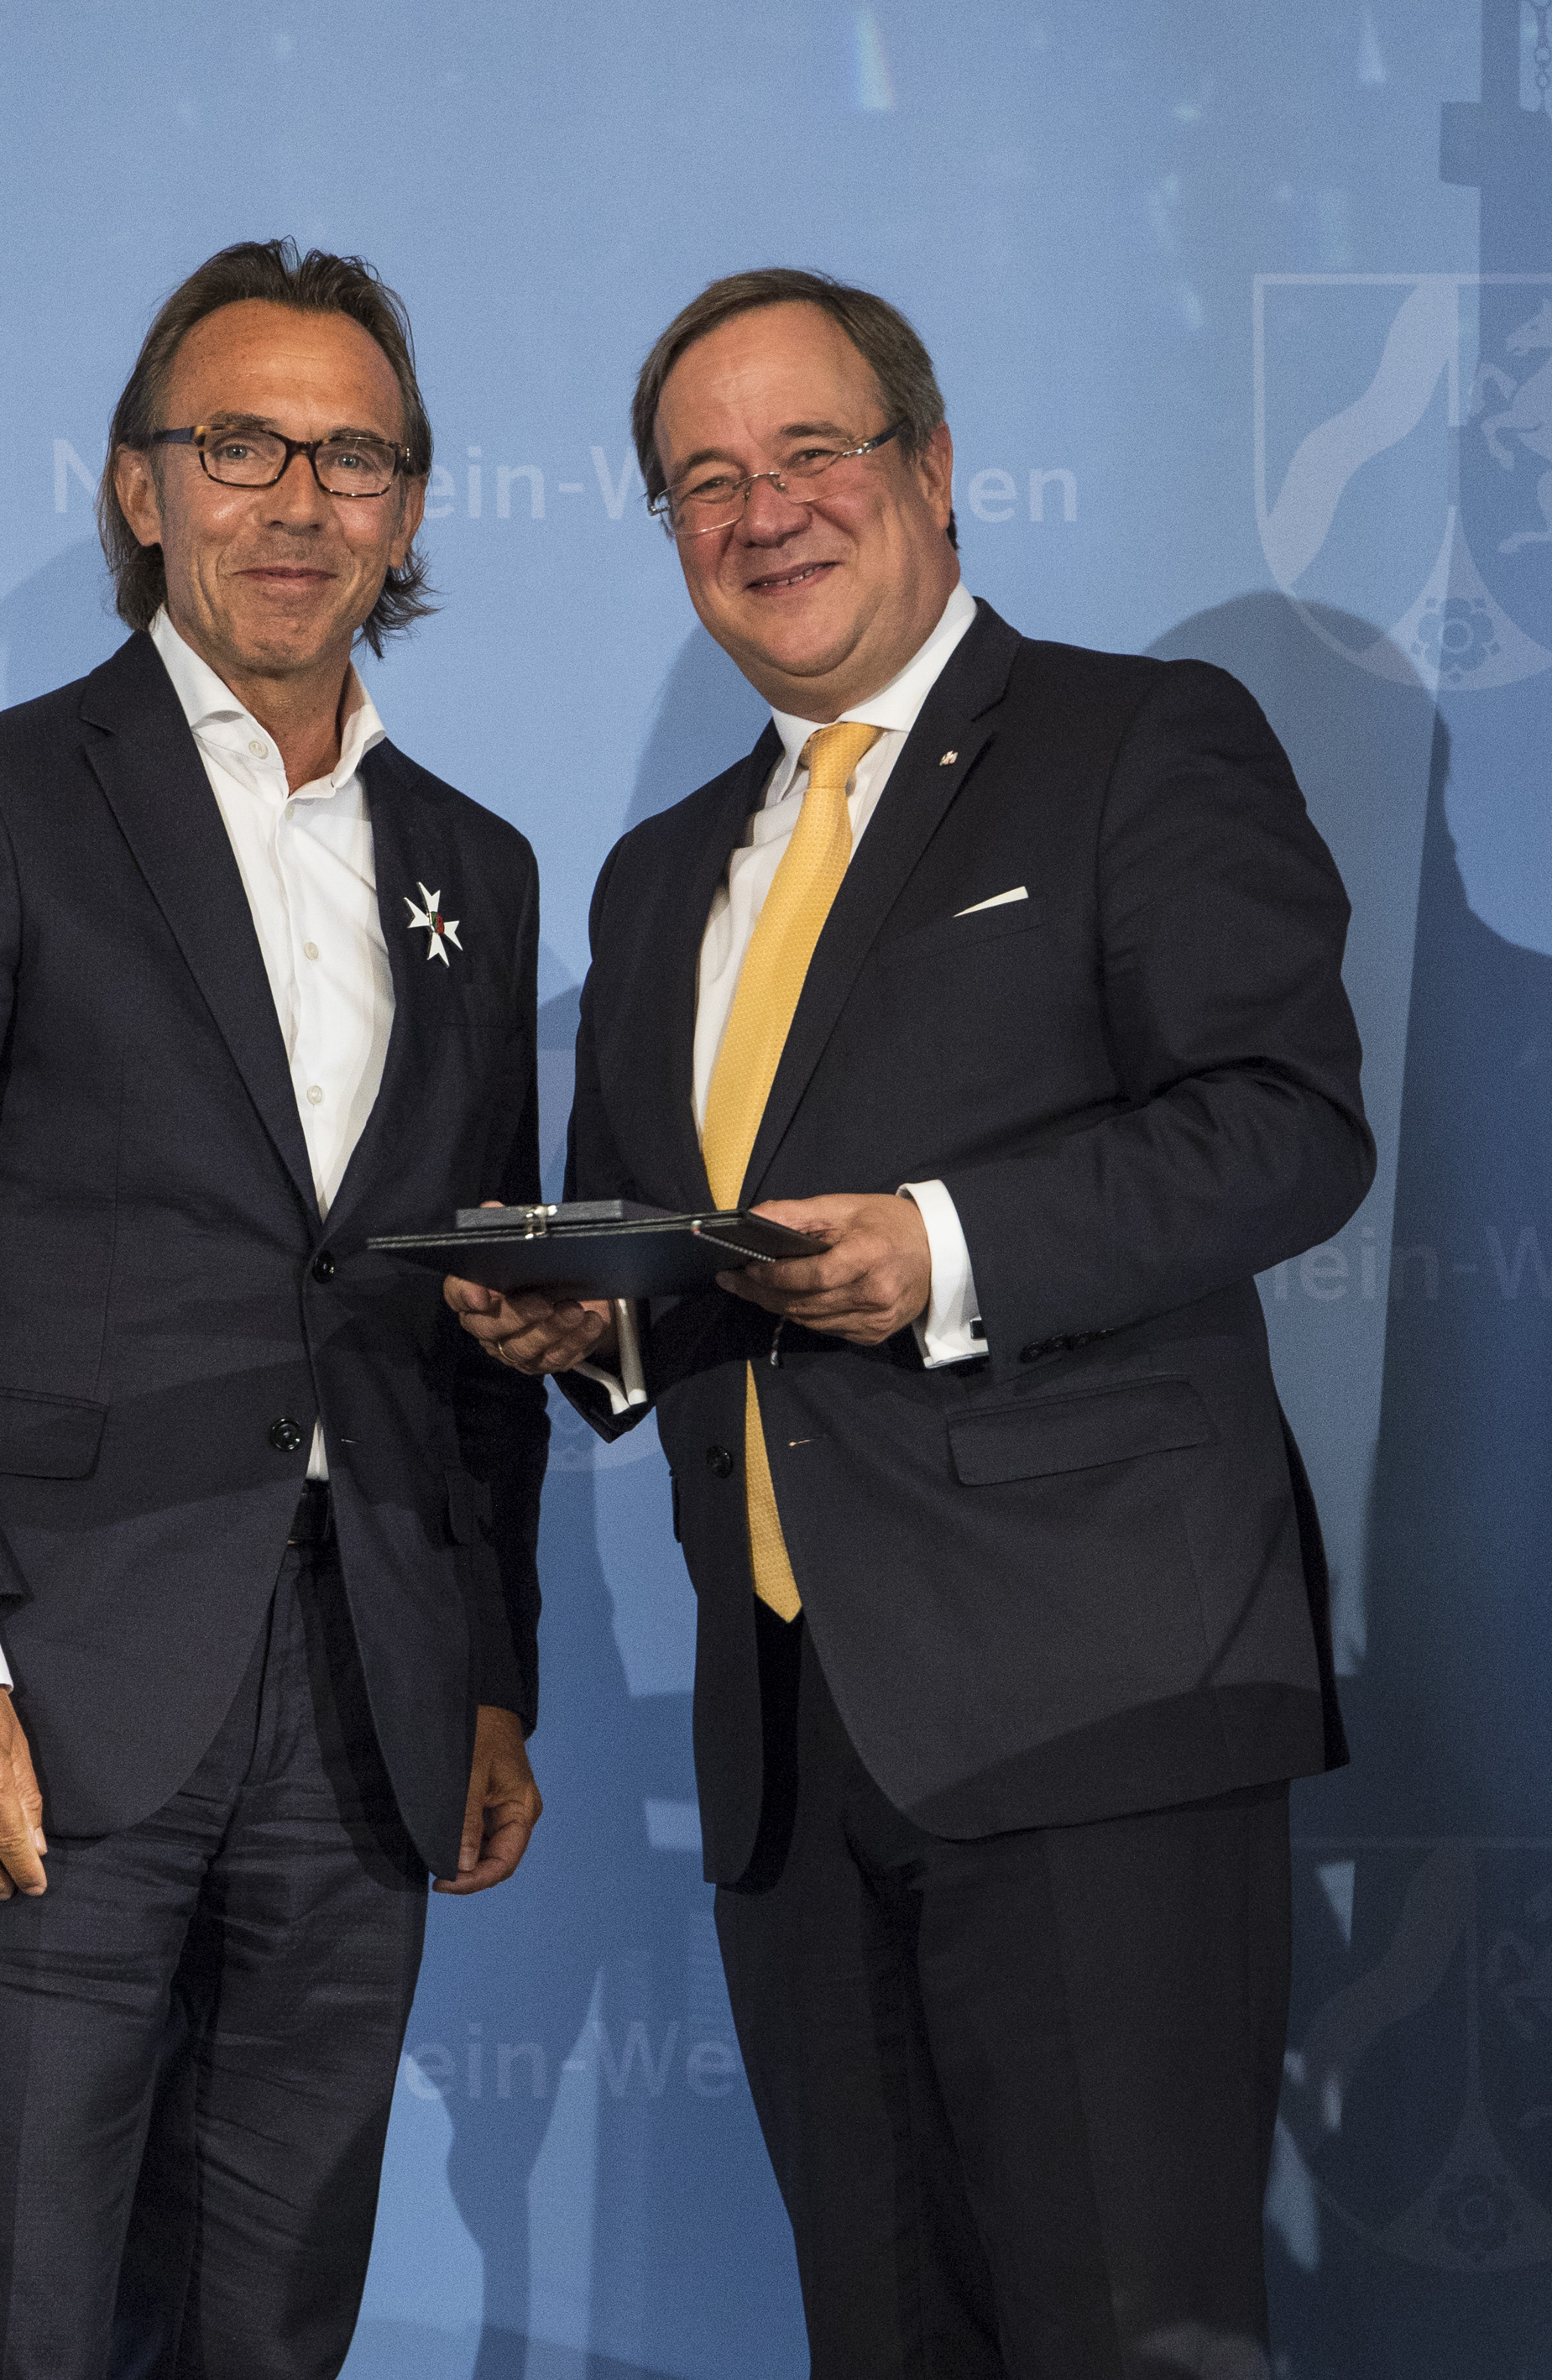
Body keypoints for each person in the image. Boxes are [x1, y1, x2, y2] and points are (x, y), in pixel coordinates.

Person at [447, 268, 1371, 2379]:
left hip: (1094, 1702)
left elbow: (1285, 1124)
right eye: (704, 480)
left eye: (811, 451)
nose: (762, 510)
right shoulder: (655, 874)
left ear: (933, 469)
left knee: (1129, 2339)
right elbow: (670, 1245)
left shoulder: (1136, 741)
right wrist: (577, 1326)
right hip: (791, 1745)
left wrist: (944, 1246)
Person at [0, 238, 548, 2380]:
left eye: (352, 456)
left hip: (368, 1706)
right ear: (139, 484)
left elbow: (467, 1303)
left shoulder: (474, 865)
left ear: (408, 507)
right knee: (10, 2323)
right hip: (41, 1692)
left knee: (268, 2328)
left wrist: (488, 1672)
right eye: (240, 444)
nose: (298, 499)